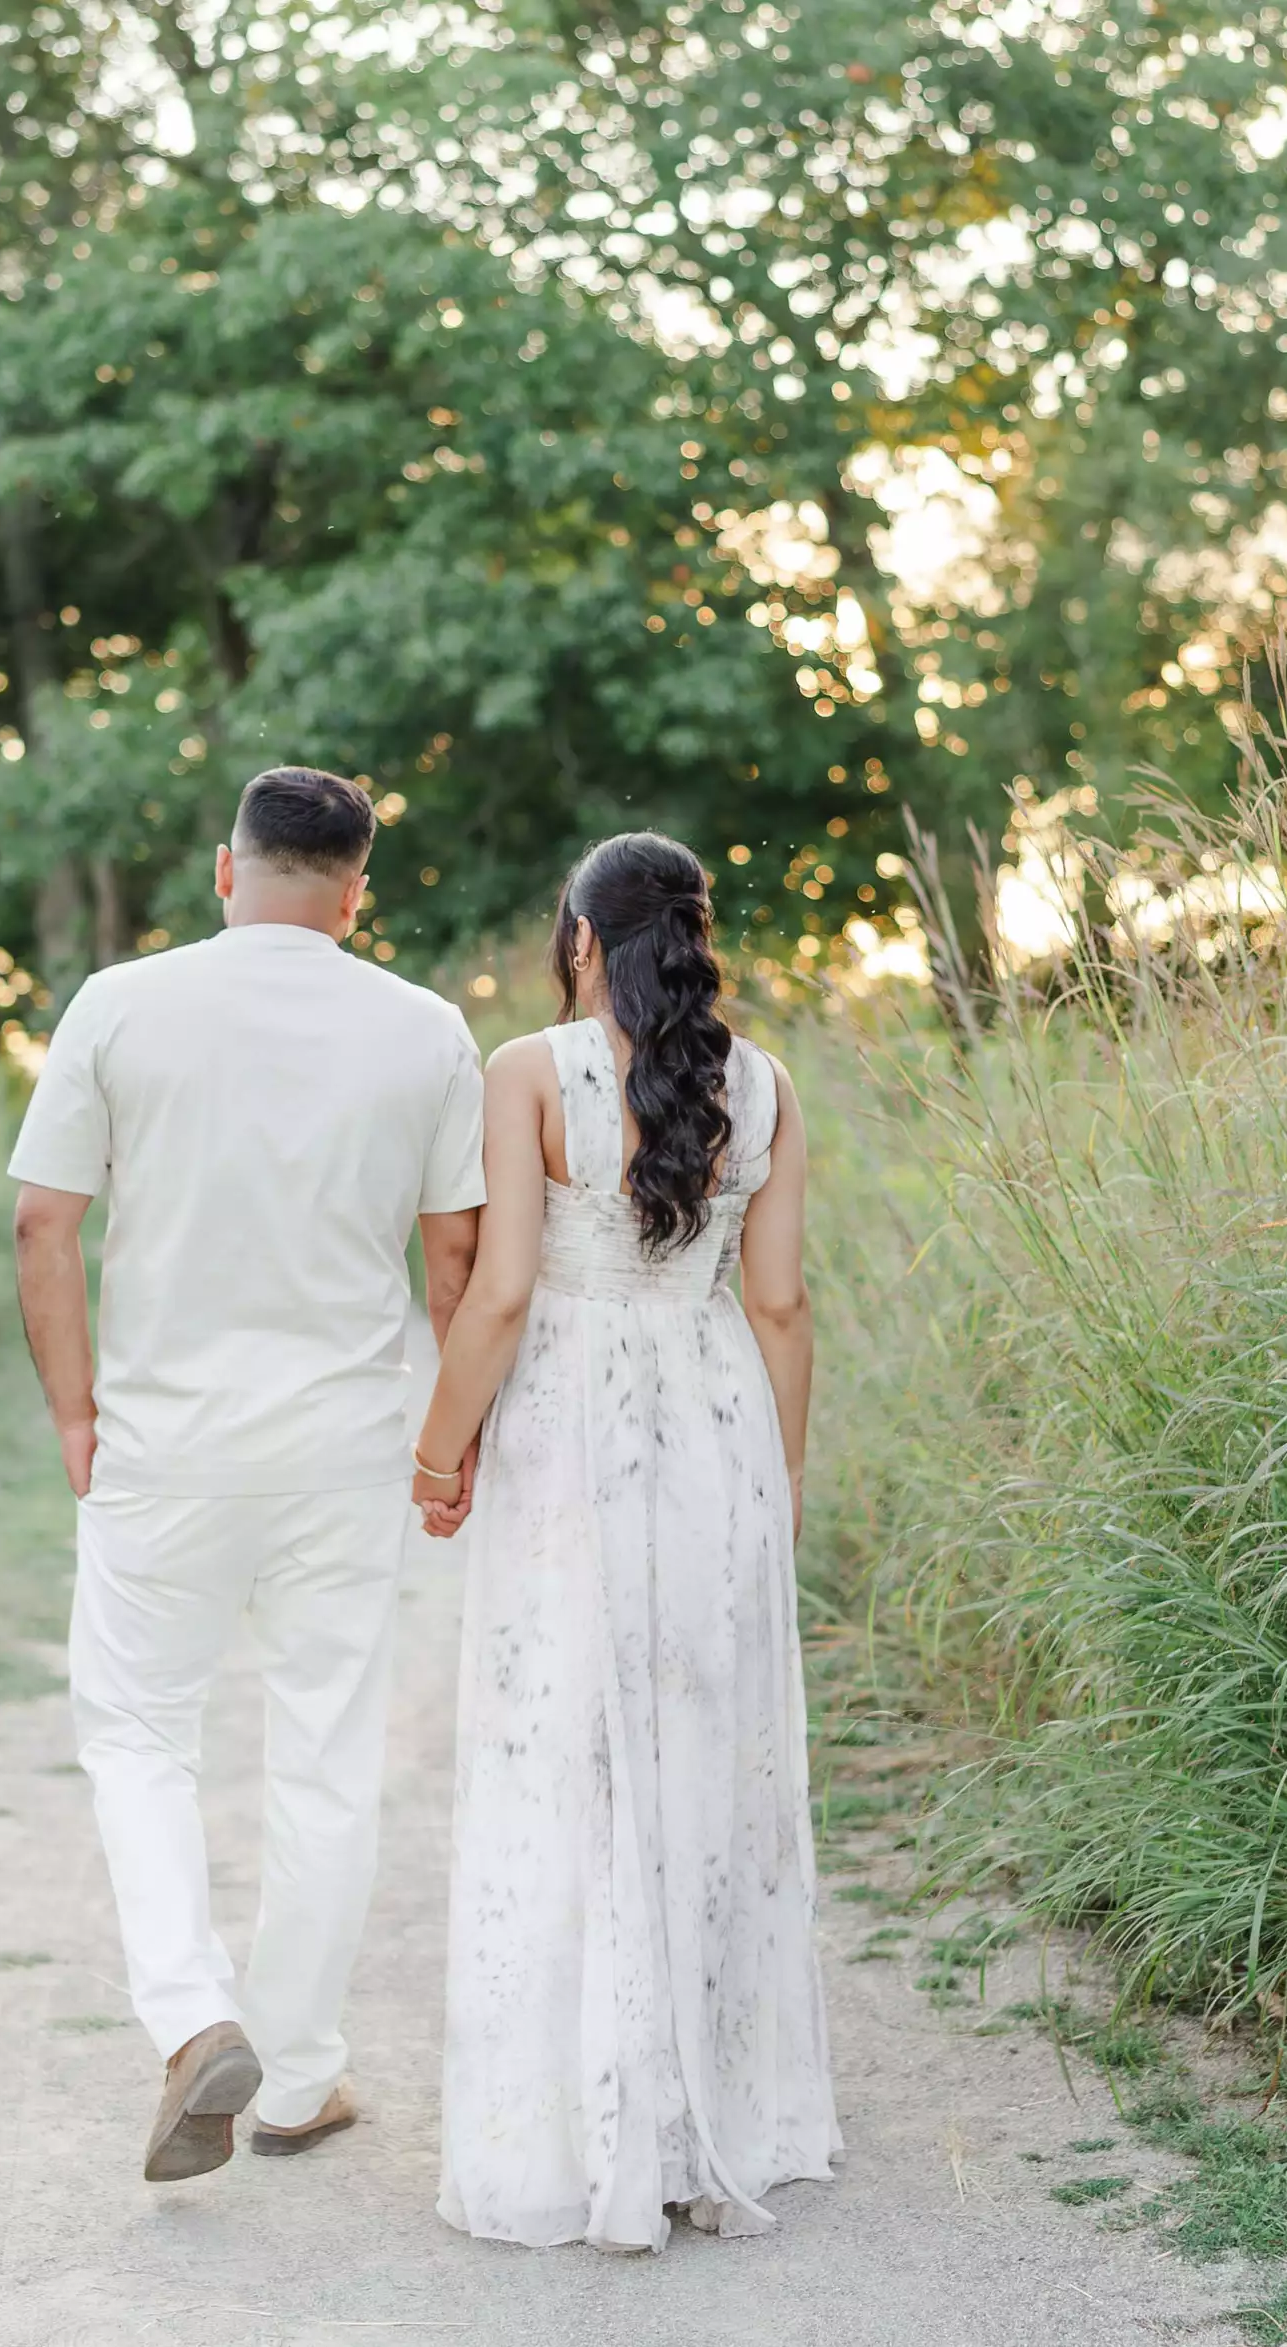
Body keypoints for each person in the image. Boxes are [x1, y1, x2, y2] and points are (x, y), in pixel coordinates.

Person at [8, 767, 487, 2182]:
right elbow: (453, 1259)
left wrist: (73, 1409)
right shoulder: (426, 1029)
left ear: (228, 872)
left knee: (138, 1728)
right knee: (327, 1750)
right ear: (355, 894)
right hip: (344, 1449)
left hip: (167, 1441)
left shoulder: (120, 1003)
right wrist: (447, 1441)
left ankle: (191, 2010)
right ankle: (297, 2080)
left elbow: (44, 1223)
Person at [410, 832, 841, 2250]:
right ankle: (693, 2124)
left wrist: (439, 1446)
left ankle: (581, 2129)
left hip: (572, 1436)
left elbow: (503, 1291)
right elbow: (778, 1307)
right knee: (695, 1754)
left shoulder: (528, 1071)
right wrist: (775, 1476)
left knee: (563, 1753)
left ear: (581, 938)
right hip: (713, 1418)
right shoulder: (765, 1084)